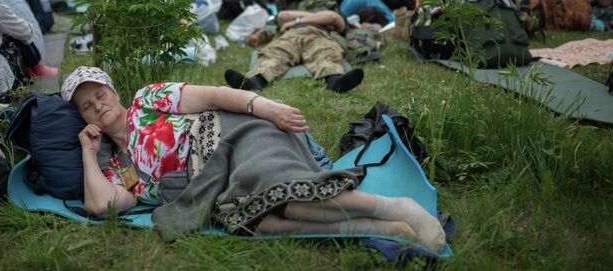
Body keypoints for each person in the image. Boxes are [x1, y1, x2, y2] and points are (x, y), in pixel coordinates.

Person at [63, 66, 446, 251]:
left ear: (114, 92)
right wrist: (87, 152)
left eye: (100, 94)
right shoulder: (117, 168)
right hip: (216, 181)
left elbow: (213, 95)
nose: (97, 105)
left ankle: (400, 208)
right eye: (86, 105)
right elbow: (100, 205)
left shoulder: (148, 100)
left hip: (238, 132)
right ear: (83, 117)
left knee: (277, 187)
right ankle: (378, 227)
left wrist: (265, 107)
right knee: (260, 220)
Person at [224, 10, 365, 93]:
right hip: (292, 35)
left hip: (318, 34)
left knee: (325, 51)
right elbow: (282, 16)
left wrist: (296, 21)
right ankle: (255, 81)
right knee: (277, 52)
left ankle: (335, 81)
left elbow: (333, 17)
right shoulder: (304, 16)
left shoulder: (334, 13)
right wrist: (315, 16)